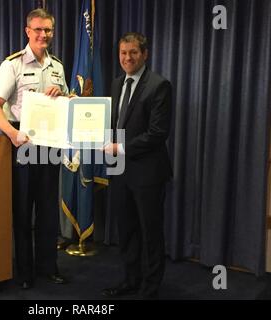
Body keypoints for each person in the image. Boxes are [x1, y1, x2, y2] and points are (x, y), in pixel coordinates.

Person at [0, 8, 69, 289]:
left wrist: (64, 95)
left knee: (48, 210)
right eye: (37, 29)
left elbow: (66, 103)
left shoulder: (57, 66)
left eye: (47, 30)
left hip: (50, 145)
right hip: (23, 145)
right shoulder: (13, 65)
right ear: (27, 31)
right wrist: (12, 133)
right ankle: (25, 272)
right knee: (23, 211)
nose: (43, 34)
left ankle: (48, 267)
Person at [103, 32, 172, 299]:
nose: (127, 58)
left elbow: (158, 133)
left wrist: (120, 147)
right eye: (123, 53)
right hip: (120, 171)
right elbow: (113, 123)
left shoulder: (159, 85)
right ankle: (130, 280)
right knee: (127, 230)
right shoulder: (117, 84)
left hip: (148, 173)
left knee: (150, 233)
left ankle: (150, 288)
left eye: (133, 52)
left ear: (145, 54)